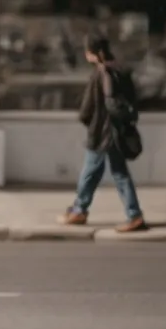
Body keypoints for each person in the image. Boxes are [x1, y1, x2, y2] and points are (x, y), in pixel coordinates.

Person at [60, 34, 146, 233]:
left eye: (87, 51)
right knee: (113, 172)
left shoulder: (101, 74)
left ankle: (81, 210)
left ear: (94, 53)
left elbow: (91, 106)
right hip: (115, 132)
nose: (85, 54)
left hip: (103, 133)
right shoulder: (120, 70)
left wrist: (87, 120)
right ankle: (130, 214)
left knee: (92, 172)